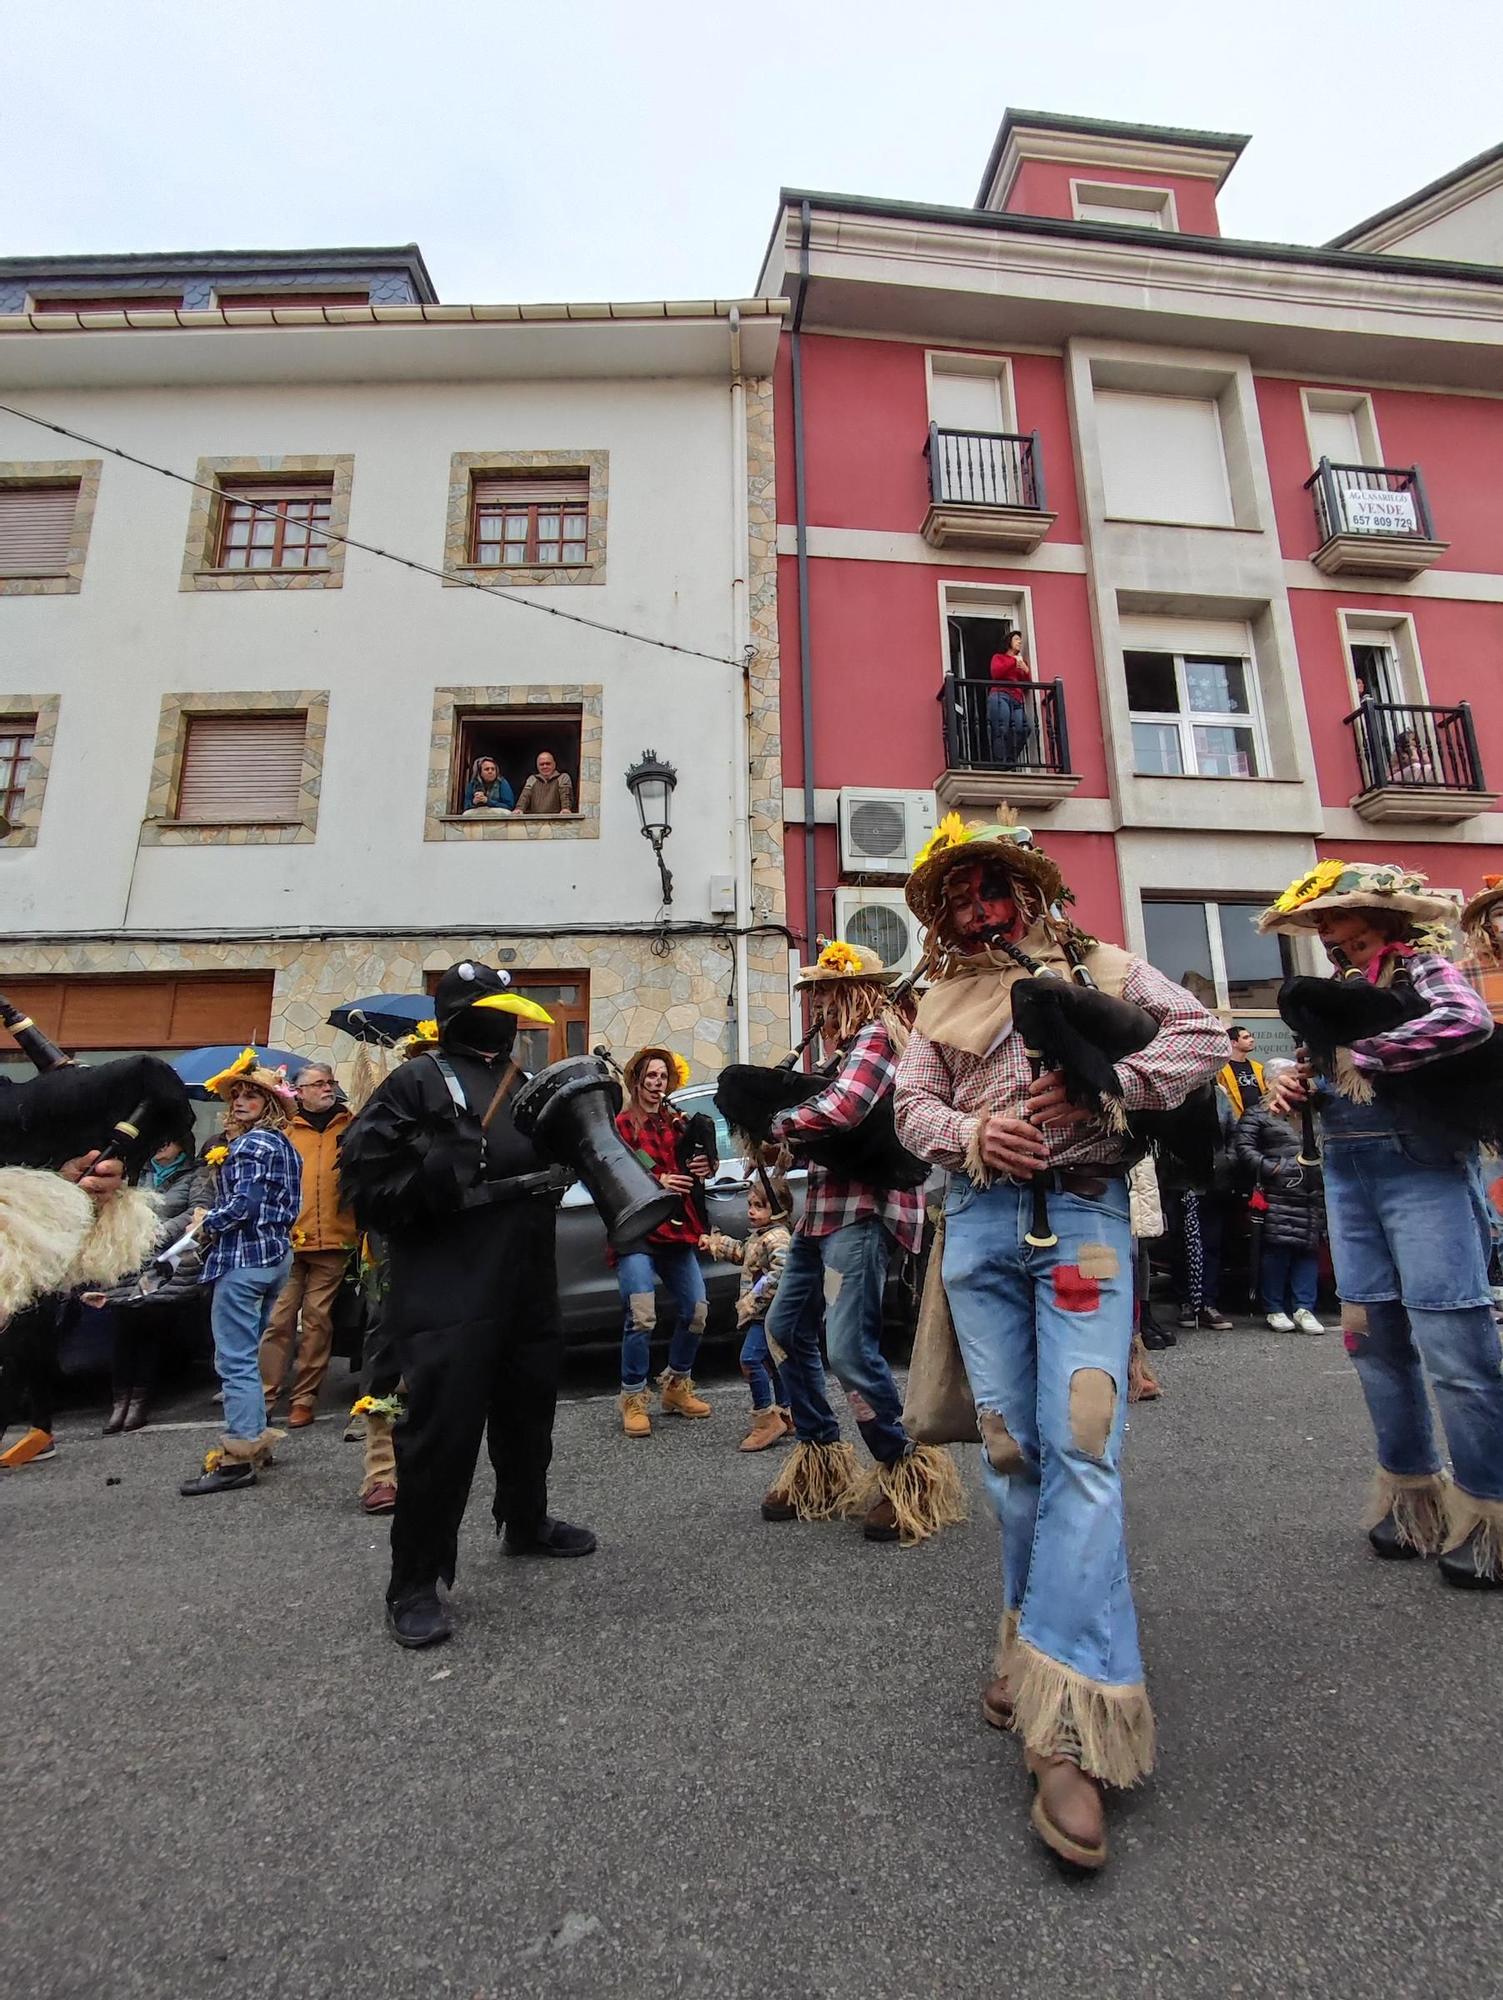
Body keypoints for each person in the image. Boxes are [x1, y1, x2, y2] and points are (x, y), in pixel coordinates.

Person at [893, 810, 1225, 1869]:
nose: (979, 906)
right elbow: (910, 1108)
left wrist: (1104, 1080)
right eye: (959, 893)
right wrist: (973, 1130)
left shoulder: (1104, 966)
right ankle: (1030, 1651)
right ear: (944, 913)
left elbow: (1206, 1036)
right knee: (1012, 1455)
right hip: (981, 1235)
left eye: (995, 886)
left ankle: (1065, 1727)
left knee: (1084, 1444)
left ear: (1030, 894)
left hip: (1081, 1225)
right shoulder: (934, 1001)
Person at [1260, 859, 1503, 1590]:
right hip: (1347, 1172)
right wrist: (1289, 1079)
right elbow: (1319, 1070)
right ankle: (1412, 1501)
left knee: (1453, 1342)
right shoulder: (1337, 994)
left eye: (1338, 916)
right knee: (1372, 1340)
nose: (1327, 930)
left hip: (1420, 1166)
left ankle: (1489, 1518)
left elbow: (1468, 1020)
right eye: (1322, 920)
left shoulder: (1422, 967)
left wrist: (1360, 1057)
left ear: (1384, 918)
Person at [339, 962, 595, 1649]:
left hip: (528, 1272)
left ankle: (524, 1520)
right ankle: (415, 1583)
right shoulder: (413, 1081)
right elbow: (361, 1189)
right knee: (442, 1432)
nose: (510, 1022)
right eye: (496, 1010)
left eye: (514, 1011)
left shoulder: (526, 1084)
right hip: (449, 1286)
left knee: (528, 1409)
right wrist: (431, 1168)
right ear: (459, 1016)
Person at [761, 940, 964, 1547]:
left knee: (848, 1350)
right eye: (812, 993)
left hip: (865, 1214)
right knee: (781, 1332)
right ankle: (820, 1459)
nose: (816, 1003)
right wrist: (779, 1142)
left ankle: (903, 1469)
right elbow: (822, 1127)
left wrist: (773, 1118)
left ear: (851, 992)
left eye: (824, 990)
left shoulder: (881, 1036)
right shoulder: (836, 1052)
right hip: (820, 1214)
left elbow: (846, 1108)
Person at [178, 1054, 301, 1497]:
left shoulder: (251, 1146)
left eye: (253, 1094)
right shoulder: (285, 1145)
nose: (241, 1101)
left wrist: (203, 1224)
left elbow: (243, 1207)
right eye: (238, 1095)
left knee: (235, 1359)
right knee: (252, 1354)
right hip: (275, 1258)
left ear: (270, 1103)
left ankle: (239, 1458)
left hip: (245, 1260)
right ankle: (258, 1440)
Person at [81, 1120, 209, 1433]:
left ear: (182, 1143)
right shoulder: (136, 1171)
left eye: (169, 1140)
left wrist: (157, 1231)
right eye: (158, 1140)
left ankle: (139, 1400)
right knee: (124, 1328)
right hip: (130, 1259)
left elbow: (198, 1211)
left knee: (149, 1327)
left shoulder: (196, 1173)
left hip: (168, 1261)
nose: (162, 1145)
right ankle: (119, 1401)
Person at [613, 1048, 713, 1437]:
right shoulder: (621, 1125)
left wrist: (704, 1166)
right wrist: (657, 1178)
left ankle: (675, 1387)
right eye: (650, 1077)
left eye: (662, 1077)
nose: (656, 1084)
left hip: (676, 1227)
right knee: (641, 1314)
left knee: (698, 1310)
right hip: (637, 1229)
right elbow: (622, 1164)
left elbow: (694, 1163)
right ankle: (634, 1398)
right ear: (636, 1081)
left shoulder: (678, 1123)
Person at [260, 1062, 358, 1428]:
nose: (326, 1088)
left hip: (334, 1239)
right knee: (278, 1321)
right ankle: (266, 1397)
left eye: (330, 1082)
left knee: (318, 1322)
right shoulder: (284, 1131)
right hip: (287, 1242)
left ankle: (304, 1398)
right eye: (317, 1084)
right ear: (298, 1092)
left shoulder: (350, 1127)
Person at [700, 1171, 793, 1451]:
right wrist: (717, 1244)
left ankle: (766, 1419)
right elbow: (744, 1252)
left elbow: (780, 1272)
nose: (751, 1211)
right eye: (750, 1205)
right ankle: (786, 1412)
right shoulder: (761, 1237)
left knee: (751, 1359)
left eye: (759, 1206)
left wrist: (753, 1300)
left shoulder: (777, 1238)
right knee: (774, 1362)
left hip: (766, 1314)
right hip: (766, 1313)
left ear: (778, 1210)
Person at [1232, 1057, 1326, 1333]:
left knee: (1308, 1247)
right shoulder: (1258, 1114)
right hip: (1278, 1191)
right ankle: (1274, 1307)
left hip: (1311, 1189)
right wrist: (1272, 1168)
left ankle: (1304, 1307)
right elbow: (1244, 1148)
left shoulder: (1308, 1111)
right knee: (1277, 1249)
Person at [986, 629, 1033, 769]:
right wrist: (1013, 661)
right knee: (1002, 728)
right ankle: (1000, 762)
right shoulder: (999, 657)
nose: (1019, 642)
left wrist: (1026, 670)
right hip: (1001, 695)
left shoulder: (1020, 661)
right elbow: (996, 673)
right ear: (1009, 643)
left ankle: (1010, 760)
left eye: (1020, 640)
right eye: (1016, 639)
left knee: (1024, 728)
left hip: (1017, 700)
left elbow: (1027, 685)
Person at [1219, 1024, 1265, 1117]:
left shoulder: (1258, 1067)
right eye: (1246, 1037)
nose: (1252, 1040)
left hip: (1260, 1119)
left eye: (1250, 1036)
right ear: (1233, 1043)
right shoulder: (1221, 1069)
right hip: (1236, 1120)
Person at [514, 749, 574, 817]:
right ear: (537, 766)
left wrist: (566, 808)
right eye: (542, 764)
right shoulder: (532, 779)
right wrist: (519, 809)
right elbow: (524, 796)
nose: (545, 766)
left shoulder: (563, 777)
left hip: (557, 821)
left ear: (554, 764)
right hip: (535, 821)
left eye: (548, 763)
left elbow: (566, 795)